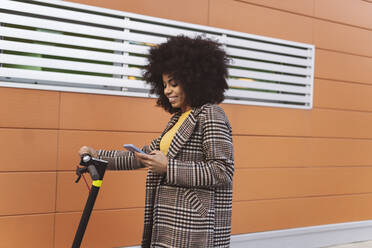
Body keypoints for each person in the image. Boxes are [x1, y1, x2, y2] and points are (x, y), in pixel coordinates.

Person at [79, 35, 234, 248]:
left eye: (174, 83)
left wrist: (169, 167)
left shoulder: (211, 114)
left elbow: (222, 171)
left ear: (194, 80)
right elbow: (142, 156)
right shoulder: (178, 119)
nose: (167, 90)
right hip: (168, 217)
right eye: (163, 84)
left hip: (193, 223)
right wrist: (98, 156)